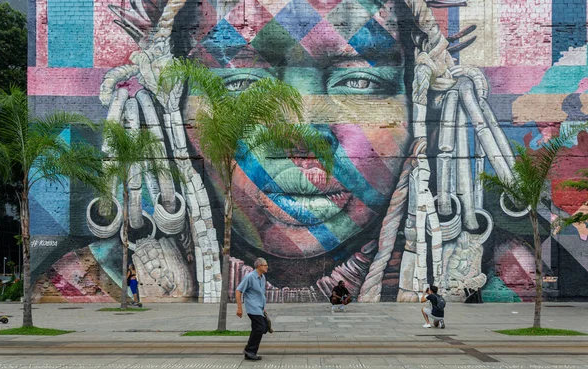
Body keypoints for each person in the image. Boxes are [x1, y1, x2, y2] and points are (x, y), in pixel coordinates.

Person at [71, 0, 524, 305]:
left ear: (422, 100)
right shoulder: (81, 282)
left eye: (359, 82)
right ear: (170, 104)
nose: (302, 137)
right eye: (242, 84)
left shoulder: (510, 276)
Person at [236, 258, 269, 361]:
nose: (267, 267)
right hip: (252, 308)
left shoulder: (262, 277)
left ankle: (249, 351)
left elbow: (260, 294)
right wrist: (239, 308)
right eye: (265, 265)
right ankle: (250, 351)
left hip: (259, 308)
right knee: (260, 328)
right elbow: (238, 291)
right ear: (259, 266)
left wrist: (263, 308)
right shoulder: (249, 277)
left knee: (260, 328)